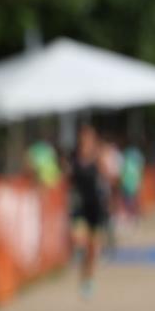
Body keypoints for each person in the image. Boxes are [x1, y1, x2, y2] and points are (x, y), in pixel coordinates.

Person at [65, 124, 109, 299]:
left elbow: (106, 178)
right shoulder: (73, 159)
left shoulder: (98, 158)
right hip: (80, 206)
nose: (86, 142)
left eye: (89, 139)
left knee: (92, 250)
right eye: (83, 139)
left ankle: (88, 280)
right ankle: (78, 256)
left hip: (95, 207)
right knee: (79, 240)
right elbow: (67, 180)